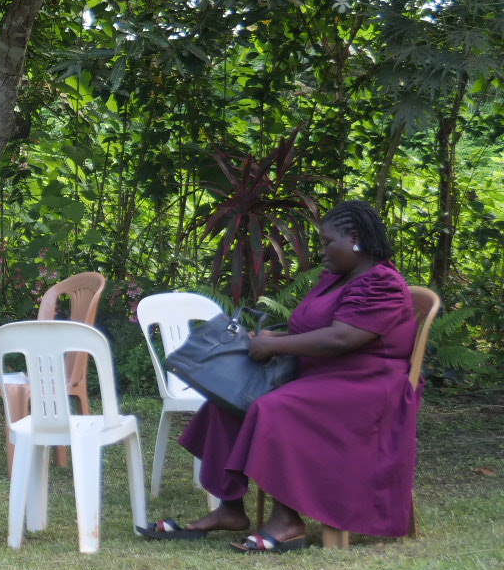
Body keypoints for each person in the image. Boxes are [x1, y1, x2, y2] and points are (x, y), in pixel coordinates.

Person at [141, 201, 420, 552]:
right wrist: (275, 338)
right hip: (318, 376)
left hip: (366, 385)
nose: (322, 252)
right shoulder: (335, 278)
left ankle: (287, 521)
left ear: (355, 239)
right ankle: (230, 509)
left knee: (274, 408)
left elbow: (343, 337)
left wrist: (279, 346)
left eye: (327, 242)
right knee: (229, 401)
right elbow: (314, 327)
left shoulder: (382, 283)